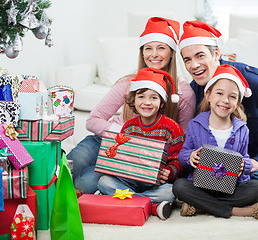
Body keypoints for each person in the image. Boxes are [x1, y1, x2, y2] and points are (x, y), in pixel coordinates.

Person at [67, 17, 196, 194]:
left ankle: (119, 192)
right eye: (148, 48)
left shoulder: (183, 93)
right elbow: (93, 121)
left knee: (87, 183)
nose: (154, 54)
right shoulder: (129, 82)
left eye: (161, 48)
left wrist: (163, 163)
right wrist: (129, 136)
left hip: (143, 159)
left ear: (172, 53)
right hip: (113, 139)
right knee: (76, 160)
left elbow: (183, 141)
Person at [178, 20, 258, 205]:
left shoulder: (252, 79)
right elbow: (190, 138)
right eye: (188, 60)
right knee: (178, 181)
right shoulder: (196, 90)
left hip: (251, 168)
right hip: (211, 169)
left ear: (216, 54)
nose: (194, 65)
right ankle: (233, 203)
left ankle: (205, 202)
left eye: (200, 56)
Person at [173, 64, 258, 219]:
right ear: (208, 95)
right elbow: (183, 154)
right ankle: (234, 211)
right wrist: (190, 156)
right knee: (179, 187)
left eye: (232, 96)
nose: (225, 100)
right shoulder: (195, 124)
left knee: (256, 188)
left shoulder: (242, 129)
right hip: (201, 185)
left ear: (237, 102)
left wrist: (245, 164)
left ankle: (201, 206)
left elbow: (245, 156)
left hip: (231, 186)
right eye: (220, 93)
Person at [97, 68, 185, 220]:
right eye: (141, 96)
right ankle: (151, 205)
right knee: (104, 181)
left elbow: (179, 159)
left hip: (156, 183)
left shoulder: (171, 127)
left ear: (162, 102)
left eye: (153, 98)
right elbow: (121, 155)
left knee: (170, 192)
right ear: (134, 100)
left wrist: (170, 171)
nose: (146, 102)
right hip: (131, 179)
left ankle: (123, 199)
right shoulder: (129, 127)